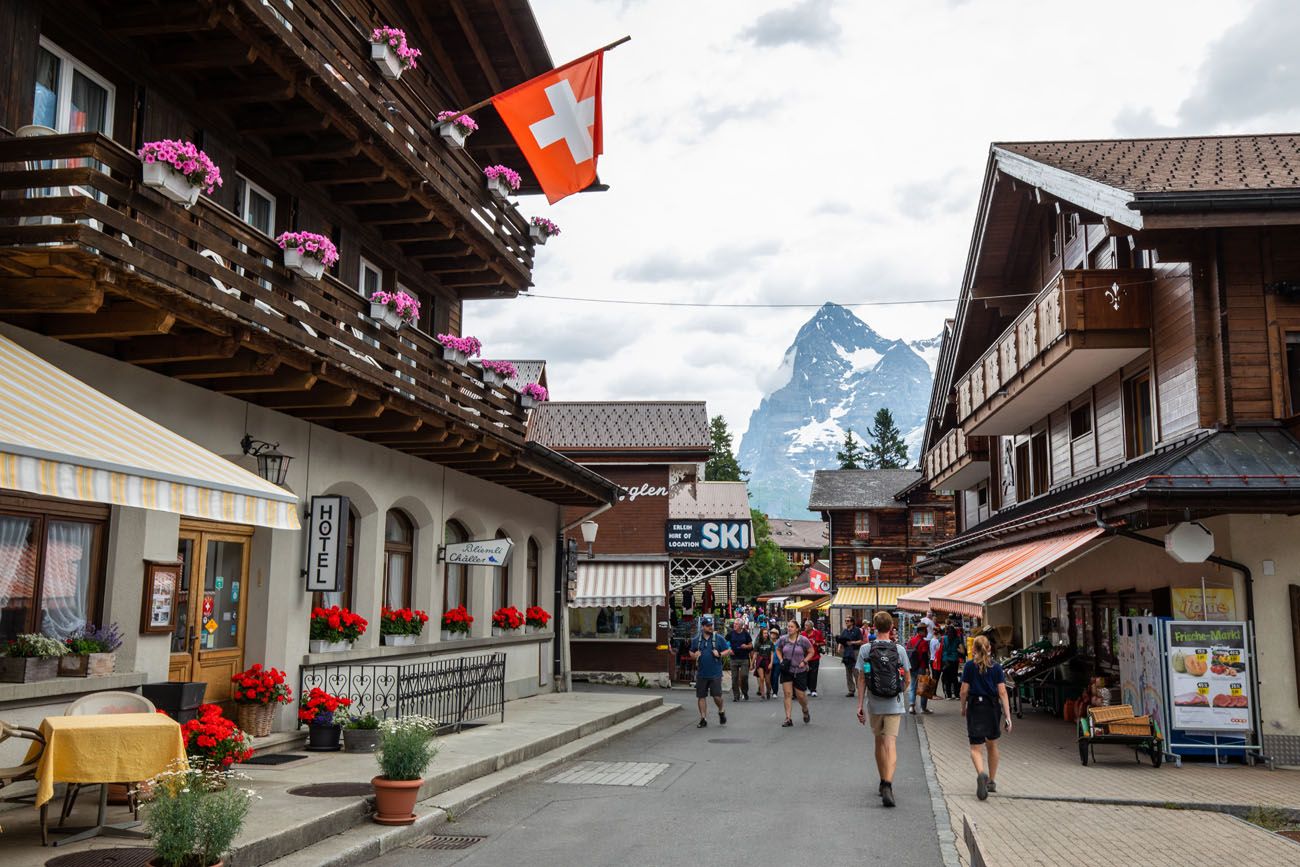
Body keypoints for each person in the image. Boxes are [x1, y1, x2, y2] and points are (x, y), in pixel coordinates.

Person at [856, 610, 910, 808]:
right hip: (894, 703)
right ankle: (888, 783)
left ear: (874, 628)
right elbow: (908, 679)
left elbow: (862, 678)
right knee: (891, 744)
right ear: (891, 628)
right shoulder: (900, 650)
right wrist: (898, 692)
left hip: (875, 703)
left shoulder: (865, 650)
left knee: (878, 742)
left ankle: (881, 781)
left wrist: (860, 705)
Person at [960, 635, 1012, 800]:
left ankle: (981, 773)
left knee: (976, 748)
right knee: (992, 744)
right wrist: (1008, 716)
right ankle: (991, 781)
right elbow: (1002, 692)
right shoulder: (996, 668)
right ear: (989, 648)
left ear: (973, 649)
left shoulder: (969, 666)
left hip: (975, 706)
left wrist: (963, 707)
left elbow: (963, 690)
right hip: (992, 707)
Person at [689, 614, 731, 728]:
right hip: (702, 673)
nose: (710, 627)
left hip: (715, 673)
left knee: (717, 696)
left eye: (711, 625)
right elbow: (691, 652)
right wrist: (694, 655)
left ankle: (721, 710)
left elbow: (728, 650)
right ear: (702, 627)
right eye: (708, 626)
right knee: (701, 696)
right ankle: (703, 718)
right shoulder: (696, 640)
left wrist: (720, 654)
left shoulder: (719, 638)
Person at [775, 619, 813, 727]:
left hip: (799, 670)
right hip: (787, 670)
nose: (789, 628)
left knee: (800, 695)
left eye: (791, 627)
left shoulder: (803, 640)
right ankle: (788, 718)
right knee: (787, 694)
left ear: (797, 629)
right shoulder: (783, 639)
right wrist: (781, 659)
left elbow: (811, 651)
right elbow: (777, 649)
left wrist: (805, 661)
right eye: (788, 626)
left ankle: (805, 709)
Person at [906, 624, 935, 714]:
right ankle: (923, 708)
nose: (926, 632)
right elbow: (924, 656)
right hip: (921, 667)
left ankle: (911, 707)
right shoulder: (923, 642)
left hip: (912, 667)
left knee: (912, 687)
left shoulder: (910, 641)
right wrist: (927, 668)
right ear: (921, 631)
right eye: (925, 630)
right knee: (924, 687)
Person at [726, 619, 753, 701]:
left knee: (744, 676)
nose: (734, 625)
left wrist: (746, 646)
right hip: (734, 658)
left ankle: (744, 692)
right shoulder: (731, 633)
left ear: (741, 626)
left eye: (737, 624)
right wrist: (729, 649)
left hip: (744, 658)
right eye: (734, 624)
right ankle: (736, 695)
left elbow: (751, 645)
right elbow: (724, 642)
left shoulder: (745, 634)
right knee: (734, 678)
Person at [837, 616, 864, 697]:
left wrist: (852, 642)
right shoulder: (844, 631)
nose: (846, 622)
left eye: (848, 621)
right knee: (848, 672)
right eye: (845, 621)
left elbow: (861, 641)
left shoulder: (857, 630)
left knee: (855, 671)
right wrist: (839, 647)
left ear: (852, 622)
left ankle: (860, 689)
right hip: (846, 652)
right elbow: (841, 640)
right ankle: (851, 690)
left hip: (855, 651)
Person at [941, 622, 965, 699]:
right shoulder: (957, 639)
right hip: (954, 660)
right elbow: (963, 651)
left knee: (947, 678)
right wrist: (956, 649)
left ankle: (949, 695)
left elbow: (939, 647)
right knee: (954, 677)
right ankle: (957, 694)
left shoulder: (943, 638)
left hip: (945, 660)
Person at [802, 618, 824, 697]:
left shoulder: (817, 633)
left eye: (807, 625)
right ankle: (807, 688)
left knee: (814, 674)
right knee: (806, 673)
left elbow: (823, 642)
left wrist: (817, 644)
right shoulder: (803, 634)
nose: (805, 627)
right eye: (805, 625)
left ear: (811, 627)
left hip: (815, 657)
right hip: (805, 657)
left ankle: (813, 689)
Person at [753, 626, 776, 699]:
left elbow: (772, 654)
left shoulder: (770, 643)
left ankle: (768, 691)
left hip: (767, 661)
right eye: (764, 633)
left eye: (767, 633)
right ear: (761, 634)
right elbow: (755, 654)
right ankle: (762, 693)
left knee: (767, 681)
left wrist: (771, 663)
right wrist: (752, 663)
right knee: (761, 678)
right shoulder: (758, 643)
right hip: (760, 661)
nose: (766, 634)